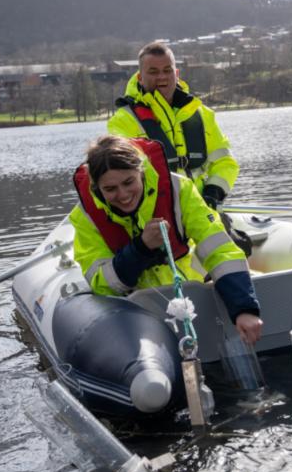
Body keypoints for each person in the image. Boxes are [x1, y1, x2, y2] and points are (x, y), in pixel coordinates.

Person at [70, 135, 263, 345]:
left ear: (141, 171)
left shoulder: (178, 189)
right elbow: (102, 285)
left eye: (129, 182)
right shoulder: (86, 218)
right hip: (134, 314)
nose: (123, 195)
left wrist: (243, 308)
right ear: (97, 187)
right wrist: (141, 249)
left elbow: (219, 248)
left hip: (189, 296)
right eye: (110, 189)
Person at [108, 41, 237, 211]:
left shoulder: (203, 114)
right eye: (153, 72)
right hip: (157, 216)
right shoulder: (123, 121)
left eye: (167, 70)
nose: (162, 76)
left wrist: (213, 193)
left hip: (203, 210)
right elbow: (125, 178)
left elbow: (225, 162)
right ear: (140, 77)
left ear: (176, 73)